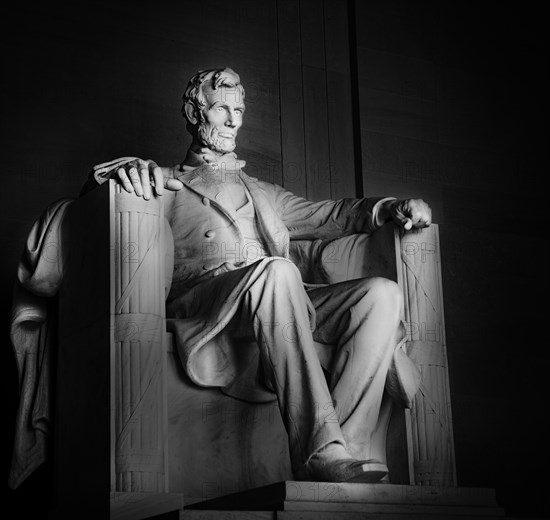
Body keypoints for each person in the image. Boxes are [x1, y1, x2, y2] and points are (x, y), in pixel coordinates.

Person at [92, 67, 431, 483]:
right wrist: (123, 174)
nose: (234, 121)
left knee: (381, 295)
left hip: (280, 295)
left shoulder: (263, 191)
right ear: (195, 114)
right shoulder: (164, 181)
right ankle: (318, 450)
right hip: (207, 299)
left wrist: (391, 207)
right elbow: (96, 202)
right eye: (221, 109)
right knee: (277, 272)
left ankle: (347, 446)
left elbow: (332, 214)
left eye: (240, 110)